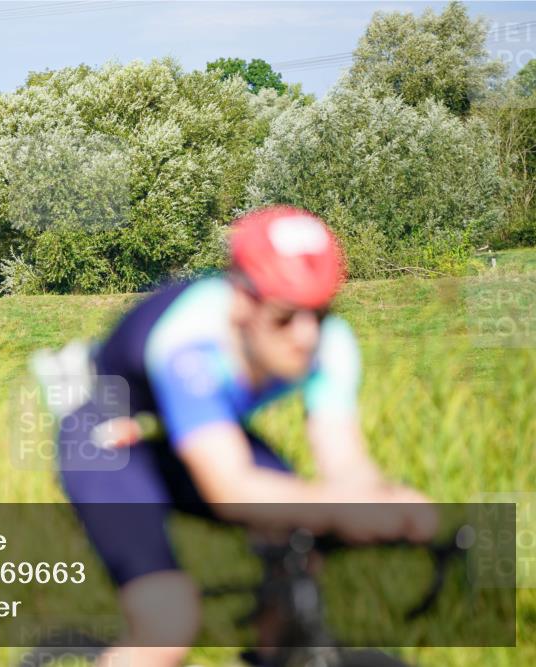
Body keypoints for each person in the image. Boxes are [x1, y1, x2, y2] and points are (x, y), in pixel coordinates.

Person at [32, 205, 438, 667]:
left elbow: (345, 467)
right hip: (109, 438)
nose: (306, 336)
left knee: (298, 546)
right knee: (167, 623)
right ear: (243, 301)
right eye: (286, 317)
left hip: (190, 431)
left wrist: (391, 505)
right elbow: (230, 488)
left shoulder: (331, 342)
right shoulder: (190, 341)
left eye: (320, 312)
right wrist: (343, 509)